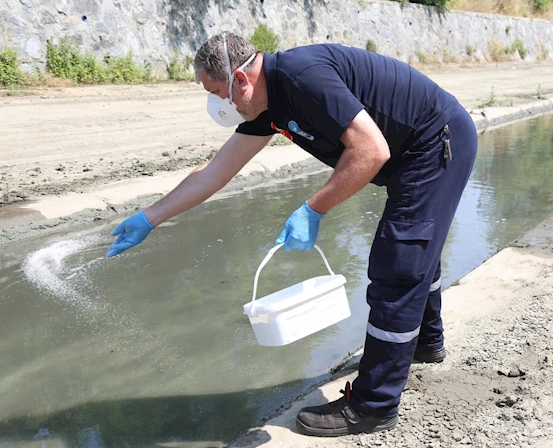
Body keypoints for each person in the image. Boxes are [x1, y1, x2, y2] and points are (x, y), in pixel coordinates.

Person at [106, 32, 478, 437]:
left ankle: (373, 406)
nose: (216, 104)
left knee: (399, 266)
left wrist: (312, 209)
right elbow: (214, 173)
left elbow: (370, 151)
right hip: (411, 151)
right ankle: (424, 342)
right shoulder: (266, 105)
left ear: (241, 81)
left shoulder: (302, 80)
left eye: (215, 91)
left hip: (433, 143)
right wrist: (150, 218)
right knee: (414, 252)